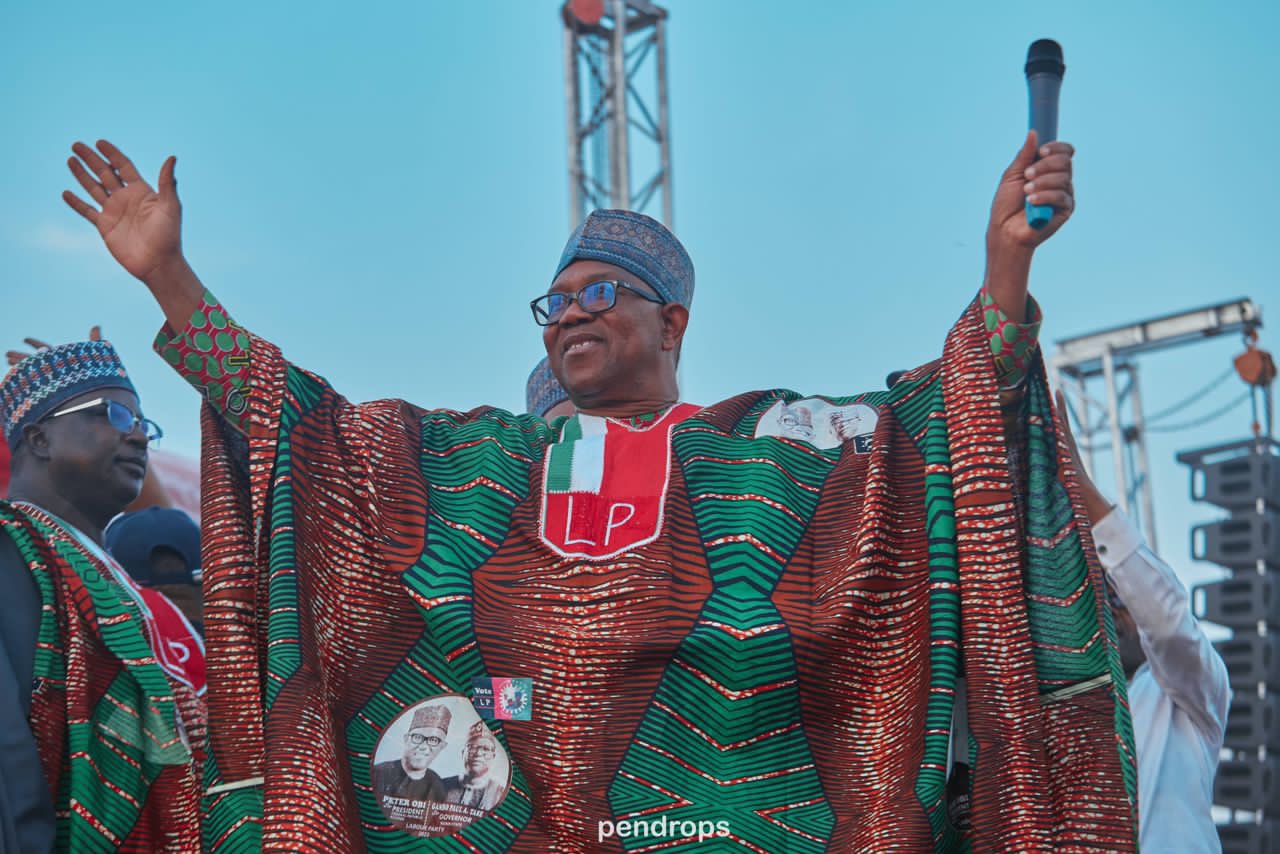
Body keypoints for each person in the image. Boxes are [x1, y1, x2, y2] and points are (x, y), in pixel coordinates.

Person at [63, 134, 1140, 852]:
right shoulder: (478, 462)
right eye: (553, 298)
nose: (567, 314)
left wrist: (1005, 266)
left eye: (599, 292)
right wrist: (170, 280)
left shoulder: (774, 441)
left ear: (672, 321)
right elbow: (294, 419)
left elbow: (940, 429)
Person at [0, 340, 202, 852]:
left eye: (144, 425)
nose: (137, 435)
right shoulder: (10, 549)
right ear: (40, 438)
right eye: (114, 414)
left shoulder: (115, 584)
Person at [1056, 390, 1231, 852]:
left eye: (1121, 593)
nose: (1114, 604)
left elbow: (1168, 622)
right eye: (1104, 595)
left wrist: (1081, 487)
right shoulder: (1069, 701)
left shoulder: (1193, 691)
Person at [372, 704, 452, 805]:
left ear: (442, 746)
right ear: (406, 739)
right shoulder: (379, 772)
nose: (424, 746)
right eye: (417, 737)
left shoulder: (437, 785)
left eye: (434, 740)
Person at [442, 721, 508, 811]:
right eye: (472, 747)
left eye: (485, 749)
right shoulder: (441, 785)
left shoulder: (500, 791)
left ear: (493, 757)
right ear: (463, 753)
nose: (478, 753)